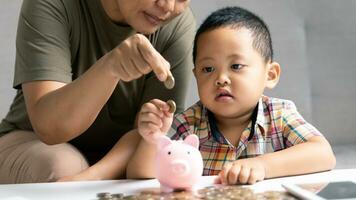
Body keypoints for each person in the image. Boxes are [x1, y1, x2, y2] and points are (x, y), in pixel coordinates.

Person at [127, 6, 336, 185]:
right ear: (196, 76)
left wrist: (262, 165)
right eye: (208, 69)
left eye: (236, 66)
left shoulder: (279, 114)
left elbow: (323, 153)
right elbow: (140, 174)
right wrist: (151, 139)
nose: (221, 79)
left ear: (270, 75)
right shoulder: (189, 123)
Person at [0, 0, 195, 183]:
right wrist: (110, 67)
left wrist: (89, 178)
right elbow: (51, 129)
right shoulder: (54, 4)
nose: (166, 6)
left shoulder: (176, 26)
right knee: (63, 165)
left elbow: (149, 136)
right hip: (30, 141)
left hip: (116, 160)